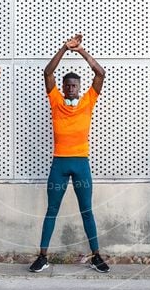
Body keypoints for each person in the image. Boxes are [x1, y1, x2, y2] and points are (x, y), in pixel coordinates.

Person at [29, 34, 109, 273]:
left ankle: (96, 256)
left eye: (75, 86)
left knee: (87, 209)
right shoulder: (56, 101)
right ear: (63, 88)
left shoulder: (87, 100)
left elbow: (100, 74)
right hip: (59, 165)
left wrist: (81, 51)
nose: (72, 89)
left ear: (79, 88)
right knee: (52, 209)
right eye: (68, 86)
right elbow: (47, 73)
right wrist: (65, 48)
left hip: (81, 163)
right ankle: (43, 256)